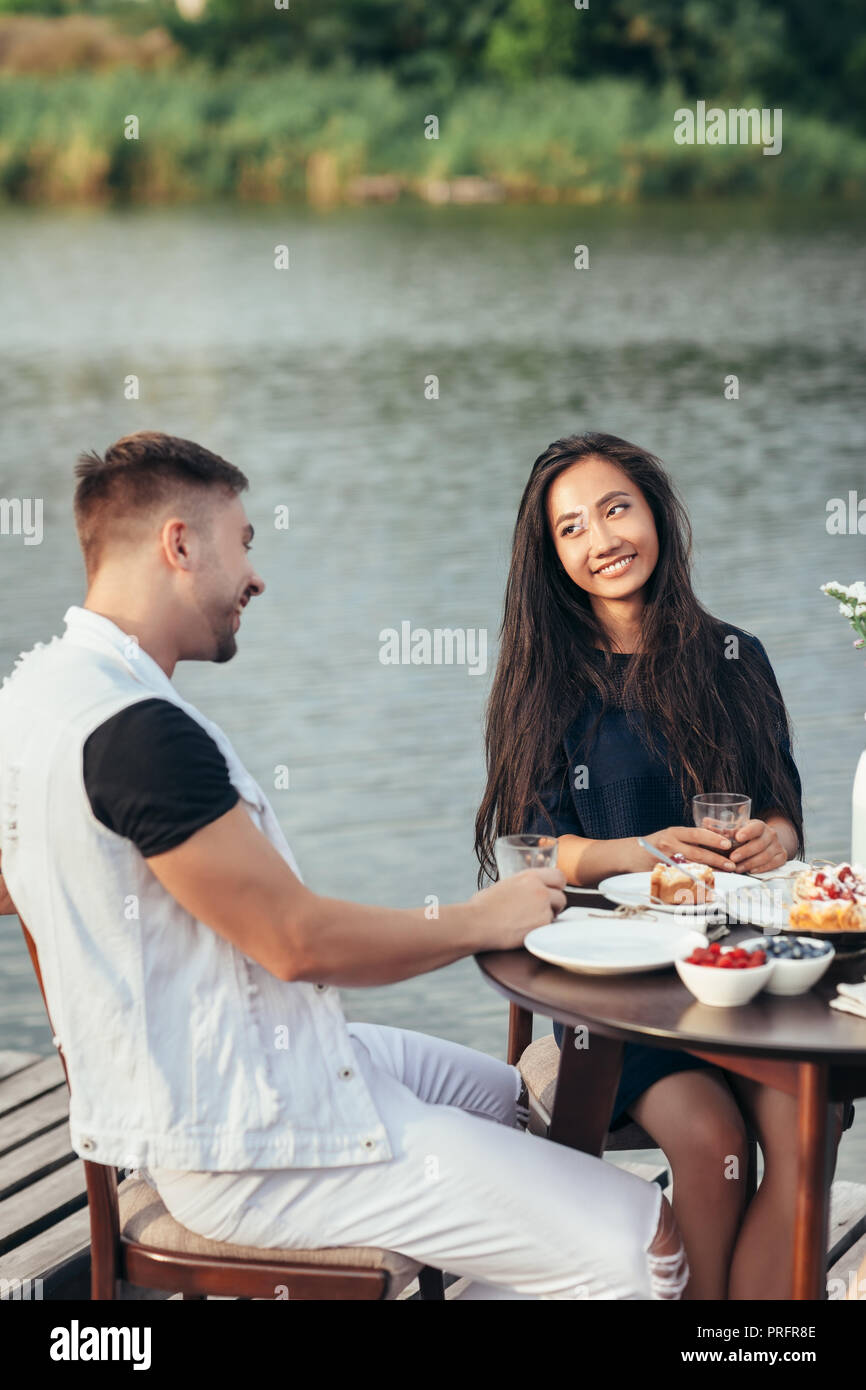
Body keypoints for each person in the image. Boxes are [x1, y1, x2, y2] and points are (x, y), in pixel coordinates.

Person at [0, 430, 687, 1301]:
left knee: (529, 1109)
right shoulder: (138, 734)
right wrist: (484, 917)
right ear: (179, 544)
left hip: (252, 1060)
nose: (256, 577)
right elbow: (296, 942)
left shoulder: (38, 691)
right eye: (243, 543)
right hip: (254, 1145)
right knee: (651, 1244)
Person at [475, 430, 849, 1300]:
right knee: (713, 1141)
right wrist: (643, 851)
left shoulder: (735, 657)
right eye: (571, 528)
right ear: (551, 554)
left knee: (811, 1126)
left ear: (656, 515)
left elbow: (782, 813)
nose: (601, 541)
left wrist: (776, 842)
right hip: (617, 988)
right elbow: (537, 851)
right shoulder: (545, 678)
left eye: (615, 510)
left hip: (743, 968)